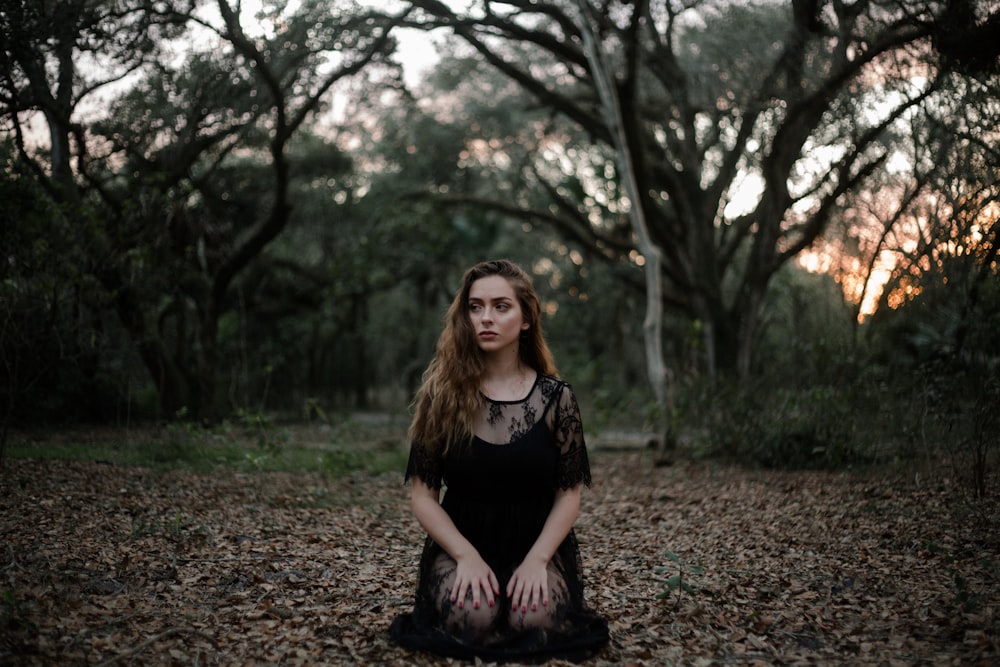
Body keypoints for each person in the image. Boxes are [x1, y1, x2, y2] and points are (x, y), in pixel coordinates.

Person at [390, 259, 609, 663]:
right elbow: (423, 496)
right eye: (475, 307)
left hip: (535, 539)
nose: (485, 318)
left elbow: (569, 495)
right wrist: (465, 556)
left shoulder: (556, 398)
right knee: (472, 617)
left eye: (501, 306)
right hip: (463, 538)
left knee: (535, 619)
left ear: (526, 319)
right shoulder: (441, 395)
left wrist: (539, 560)